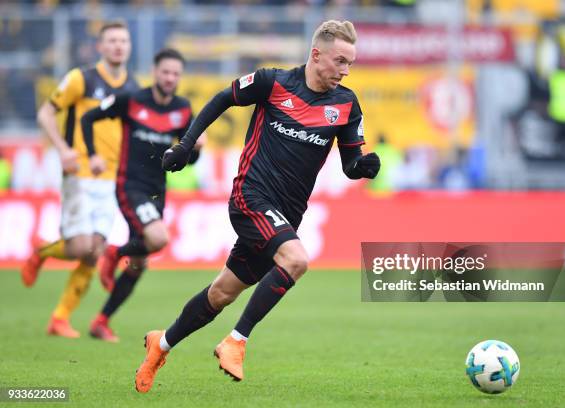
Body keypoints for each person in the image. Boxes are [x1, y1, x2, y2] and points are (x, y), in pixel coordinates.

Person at [134, 20, 380, 393]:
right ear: (316, 54)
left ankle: (161, 344)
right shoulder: (272, 82)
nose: (345, 71)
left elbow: (349, 163)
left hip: (285, 215)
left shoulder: (346, 104)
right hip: (250, 197)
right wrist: (185, 145)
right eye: (340, 61)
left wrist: (364, 167)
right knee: (297, 260)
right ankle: (236, 341)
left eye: (350, 64)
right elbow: (221, 99)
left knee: (221, 293)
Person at [20, 21, 138, 338]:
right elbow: (46, 113)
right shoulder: (81, 78)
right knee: (80, 246)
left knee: (94, 251)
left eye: (123, 41)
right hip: (81, 173)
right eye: (111, 40)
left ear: (129, 46)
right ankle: (42, 252)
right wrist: (63, 150)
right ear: (100, 46)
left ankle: (59, 318)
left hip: (113, 179)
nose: (118, 46)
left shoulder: (133, 88)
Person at [81, 48, 205, 342]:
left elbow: (185, 160)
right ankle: (114, 253)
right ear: (155, 72)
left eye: (175, 73)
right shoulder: (132, 101)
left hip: (157, 191)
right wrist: (93, 155)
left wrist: (197, 150)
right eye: (165, 72)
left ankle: (101, 320)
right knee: (158, 239)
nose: (170, 78)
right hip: (130, 184)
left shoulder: (183, 109)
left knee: (138, 264)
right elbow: (88, 118)